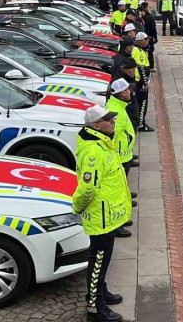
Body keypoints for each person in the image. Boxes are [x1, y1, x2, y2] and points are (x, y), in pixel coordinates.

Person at [74, 104, 130, 322]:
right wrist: (77, 208)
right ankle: (95, 307)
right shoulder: (93, 152)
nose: (113, 122)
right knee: (98, 260)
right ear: (96, 125)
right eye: (109, 120)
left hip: (109, 216)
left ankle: (101, 292)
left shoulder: (102, 143)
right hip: (101, 216)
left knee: (103, 259)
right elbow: (87, 189)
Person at [132, 33, 154, 132]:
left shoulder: (140, 50)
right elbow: (141, 68)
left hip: (139, 81)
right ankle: (141, 124)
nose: (147, 41)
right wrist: (145, 83)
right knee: (143, 103)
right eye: (146, 39)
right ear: (140, 41)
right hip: (140, 82)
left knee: (140, 103)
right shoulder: (137, 51)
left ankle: (139, 122)